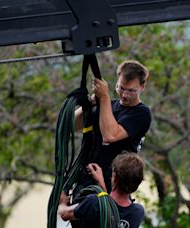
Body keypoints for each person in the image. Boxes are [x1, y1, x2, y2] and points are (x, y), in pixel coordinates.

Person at [74, 60, 152, 193]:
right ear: (116, 82)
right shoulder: (108, 105)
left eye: (131, 91)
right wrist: (88, 105)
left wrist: (104, 97)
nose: (125, 95)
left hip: (112, 183)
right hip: (86, 177)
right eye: (121, 88)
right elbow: (72, 125)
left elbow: (110, 135)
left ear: (142, 87)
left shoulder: (141, 113)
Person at [58, 152, 145, 228]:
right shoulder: (137, 212)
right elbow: (110, 210)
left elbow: (64, 214)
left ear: (115, 178)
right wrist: (101, 183)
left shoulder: (93, 203)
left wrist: (62, 201)